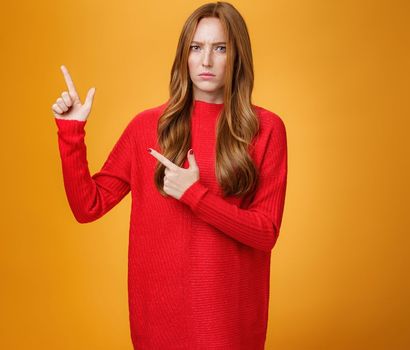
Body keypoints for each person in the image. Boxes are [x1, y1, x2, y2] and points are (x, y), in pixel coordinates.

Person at [51, 2, 287, 349]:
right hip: (157, 321)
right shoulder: (147, 126)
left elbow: (265, 233)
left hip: (227, 323)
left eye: (220, 48)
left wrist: (196, 196)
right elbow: (89, 206)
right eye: (196, 47)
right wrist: (71, 133)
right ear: (184, 55)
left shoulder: (265, 129)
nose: (206, 60)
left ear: (238, 56)